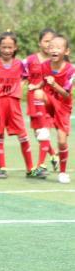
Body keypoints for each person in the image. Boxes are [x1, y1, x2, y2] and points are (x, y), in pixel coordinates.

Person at [0, 32, 43, 179]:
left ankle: (30, 169)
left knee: (23, 135)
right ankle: (2, 167)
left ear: (15, 48)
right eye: (3, 47)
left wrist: (20, 85)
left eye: (10, 47)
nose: (7, 50)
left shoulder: (19, 64)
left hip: (13, 103)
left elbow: (26, 76)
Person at [35, 34, 75, 183]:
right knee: (38, 93)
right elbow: (42, 83)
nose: (54, 49)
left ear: (66, 51)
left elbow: (66, 94)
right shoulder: (44, 65)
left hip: (63, 105)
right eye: (51, 47)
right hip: (49, 100)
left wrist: (54, 84)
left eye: (58, 47)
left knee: (62, 141)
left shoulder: (71, 70)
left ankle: (63, 172)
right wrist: (35, 86)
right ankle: (44, 128)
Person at [25, 28, 58, 174]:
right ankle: (53, 155)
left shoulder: (56, 61)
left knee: (44, 132)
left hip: (48, 101)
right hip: (33, 100)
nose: (49, 44)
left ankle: (41, 166)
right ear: (39, 43)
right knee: (38, 133)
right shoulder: (30, 60)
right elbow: (19, 74)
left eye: (51, 41)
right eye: (46, 41)